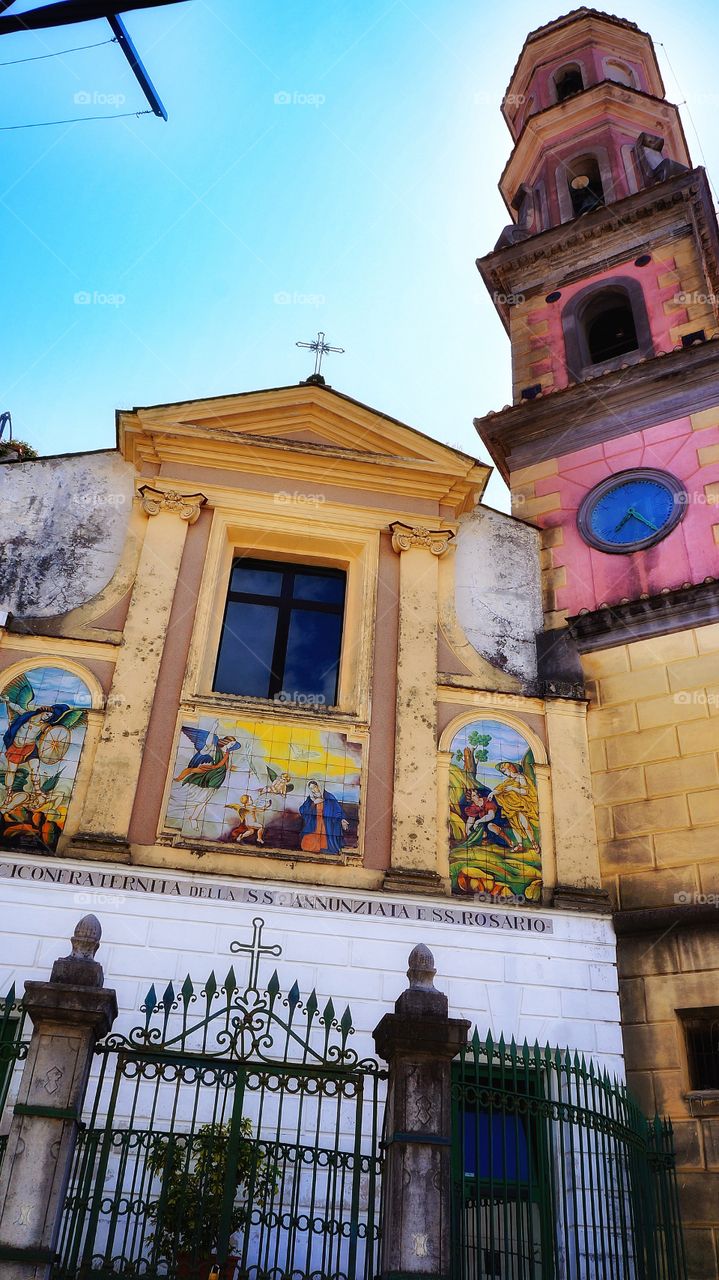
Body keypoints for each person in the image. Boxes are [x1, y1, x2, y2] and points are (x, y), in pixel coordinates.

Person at [493, 761, 540, 849]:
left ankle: (534, 843)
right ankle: (520, 845)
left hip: (520, 805)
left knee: (524, 823)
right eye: (503, 772)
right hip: (511, 807)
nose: (505, 773)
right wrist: (492, 793)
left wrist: (513, 788)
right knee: (514, 825)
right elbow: (500, 789)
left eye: (505, 771)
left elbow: (525, 791)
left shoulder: (520, 777)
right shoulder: (508, 781)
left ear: (510, 768)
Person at [299, 780, 349, 854]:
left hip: (327, 823)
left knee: (327, 840)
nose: (313, 790)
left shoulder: (329, 797)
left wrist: (342, 819)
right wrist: (313, 803)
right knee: (306, 845)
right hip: (314, 823)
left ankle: (326, 848)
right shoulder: (310, 799)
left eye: (314, 787)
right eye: (311, 788)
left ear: (319, 786)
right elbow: (302, 810)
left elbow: (337, 810)